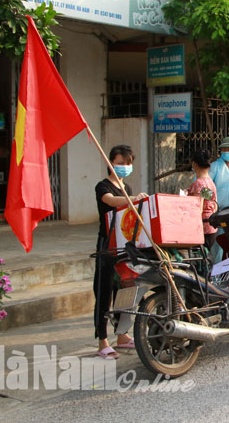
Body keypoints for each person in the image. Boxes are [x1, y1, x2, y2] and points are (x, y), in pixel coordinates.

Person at [94, 144, 148, 360]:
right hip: (107, 245)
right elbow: (110, 200)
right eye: (120, 163)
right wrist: (132, 199)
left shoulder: (128, 187)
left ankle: (122, 335)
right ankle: (102, 341)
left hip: (124, 245)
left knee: (124, 290)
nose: (124, 166)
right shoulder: (103, 186)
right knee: (104, 292)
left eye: (127, 163)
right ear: (111, 163)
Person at [187, 149, 218, 252]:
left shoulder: (199, 183)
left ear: (194, 164)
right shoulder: (209, 182)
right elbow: (210, 202)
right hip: (211, 228)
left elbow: (197, 208)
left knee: (197, 258)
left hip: (201, 229)